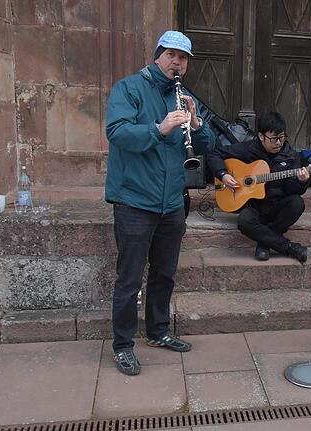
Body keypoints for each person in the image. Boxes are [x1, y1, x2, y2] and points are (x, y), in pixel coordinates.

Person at [105, 30, 216, 376]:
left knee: (165, 274)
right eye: (171, 55)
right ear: (158, 55)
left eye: (183, 58)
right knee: (129, 279)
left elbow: (207, 144)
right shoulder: (128, 88)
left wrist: (196, 123)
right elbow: (117, 132)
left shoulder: (182, 95)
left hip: (171, 202)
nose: (177, 63)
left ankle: (158, 332)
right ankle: (123, 345)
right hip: (135, 201)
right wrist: (160, 127)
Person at [206, 112, 311, 262]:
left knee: (297, 203)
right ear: (261, 136)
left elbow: (292, 190)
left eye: (282, 137)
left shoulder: (291, 156)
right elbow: (214, 155)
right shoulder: (248, 149)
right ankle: (288, 247)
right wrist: (223, 174)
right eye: (273, 139)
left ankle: (264, 243)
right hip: (255, 205)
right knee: (244, 221)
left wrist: (301, 182)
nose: (278, 143)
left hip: (277, 205)